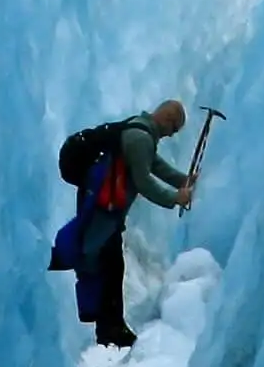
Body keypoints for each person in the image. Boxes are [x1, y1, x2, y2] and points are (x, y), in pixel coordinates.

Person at [72, 101, 198, 349]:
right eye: (173, 128)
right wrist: (175, 198)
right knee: (109, 267)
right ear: (166, 118)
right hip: (103, 212)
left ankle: (109, 326)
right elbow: (144, 181)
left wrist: (183, 180)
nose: (171, 134)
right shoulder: (140, 138)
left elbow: (155, 166)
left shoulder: (139, 133)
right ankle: (110, 329)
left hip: (106, 210)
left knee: (111, 266)